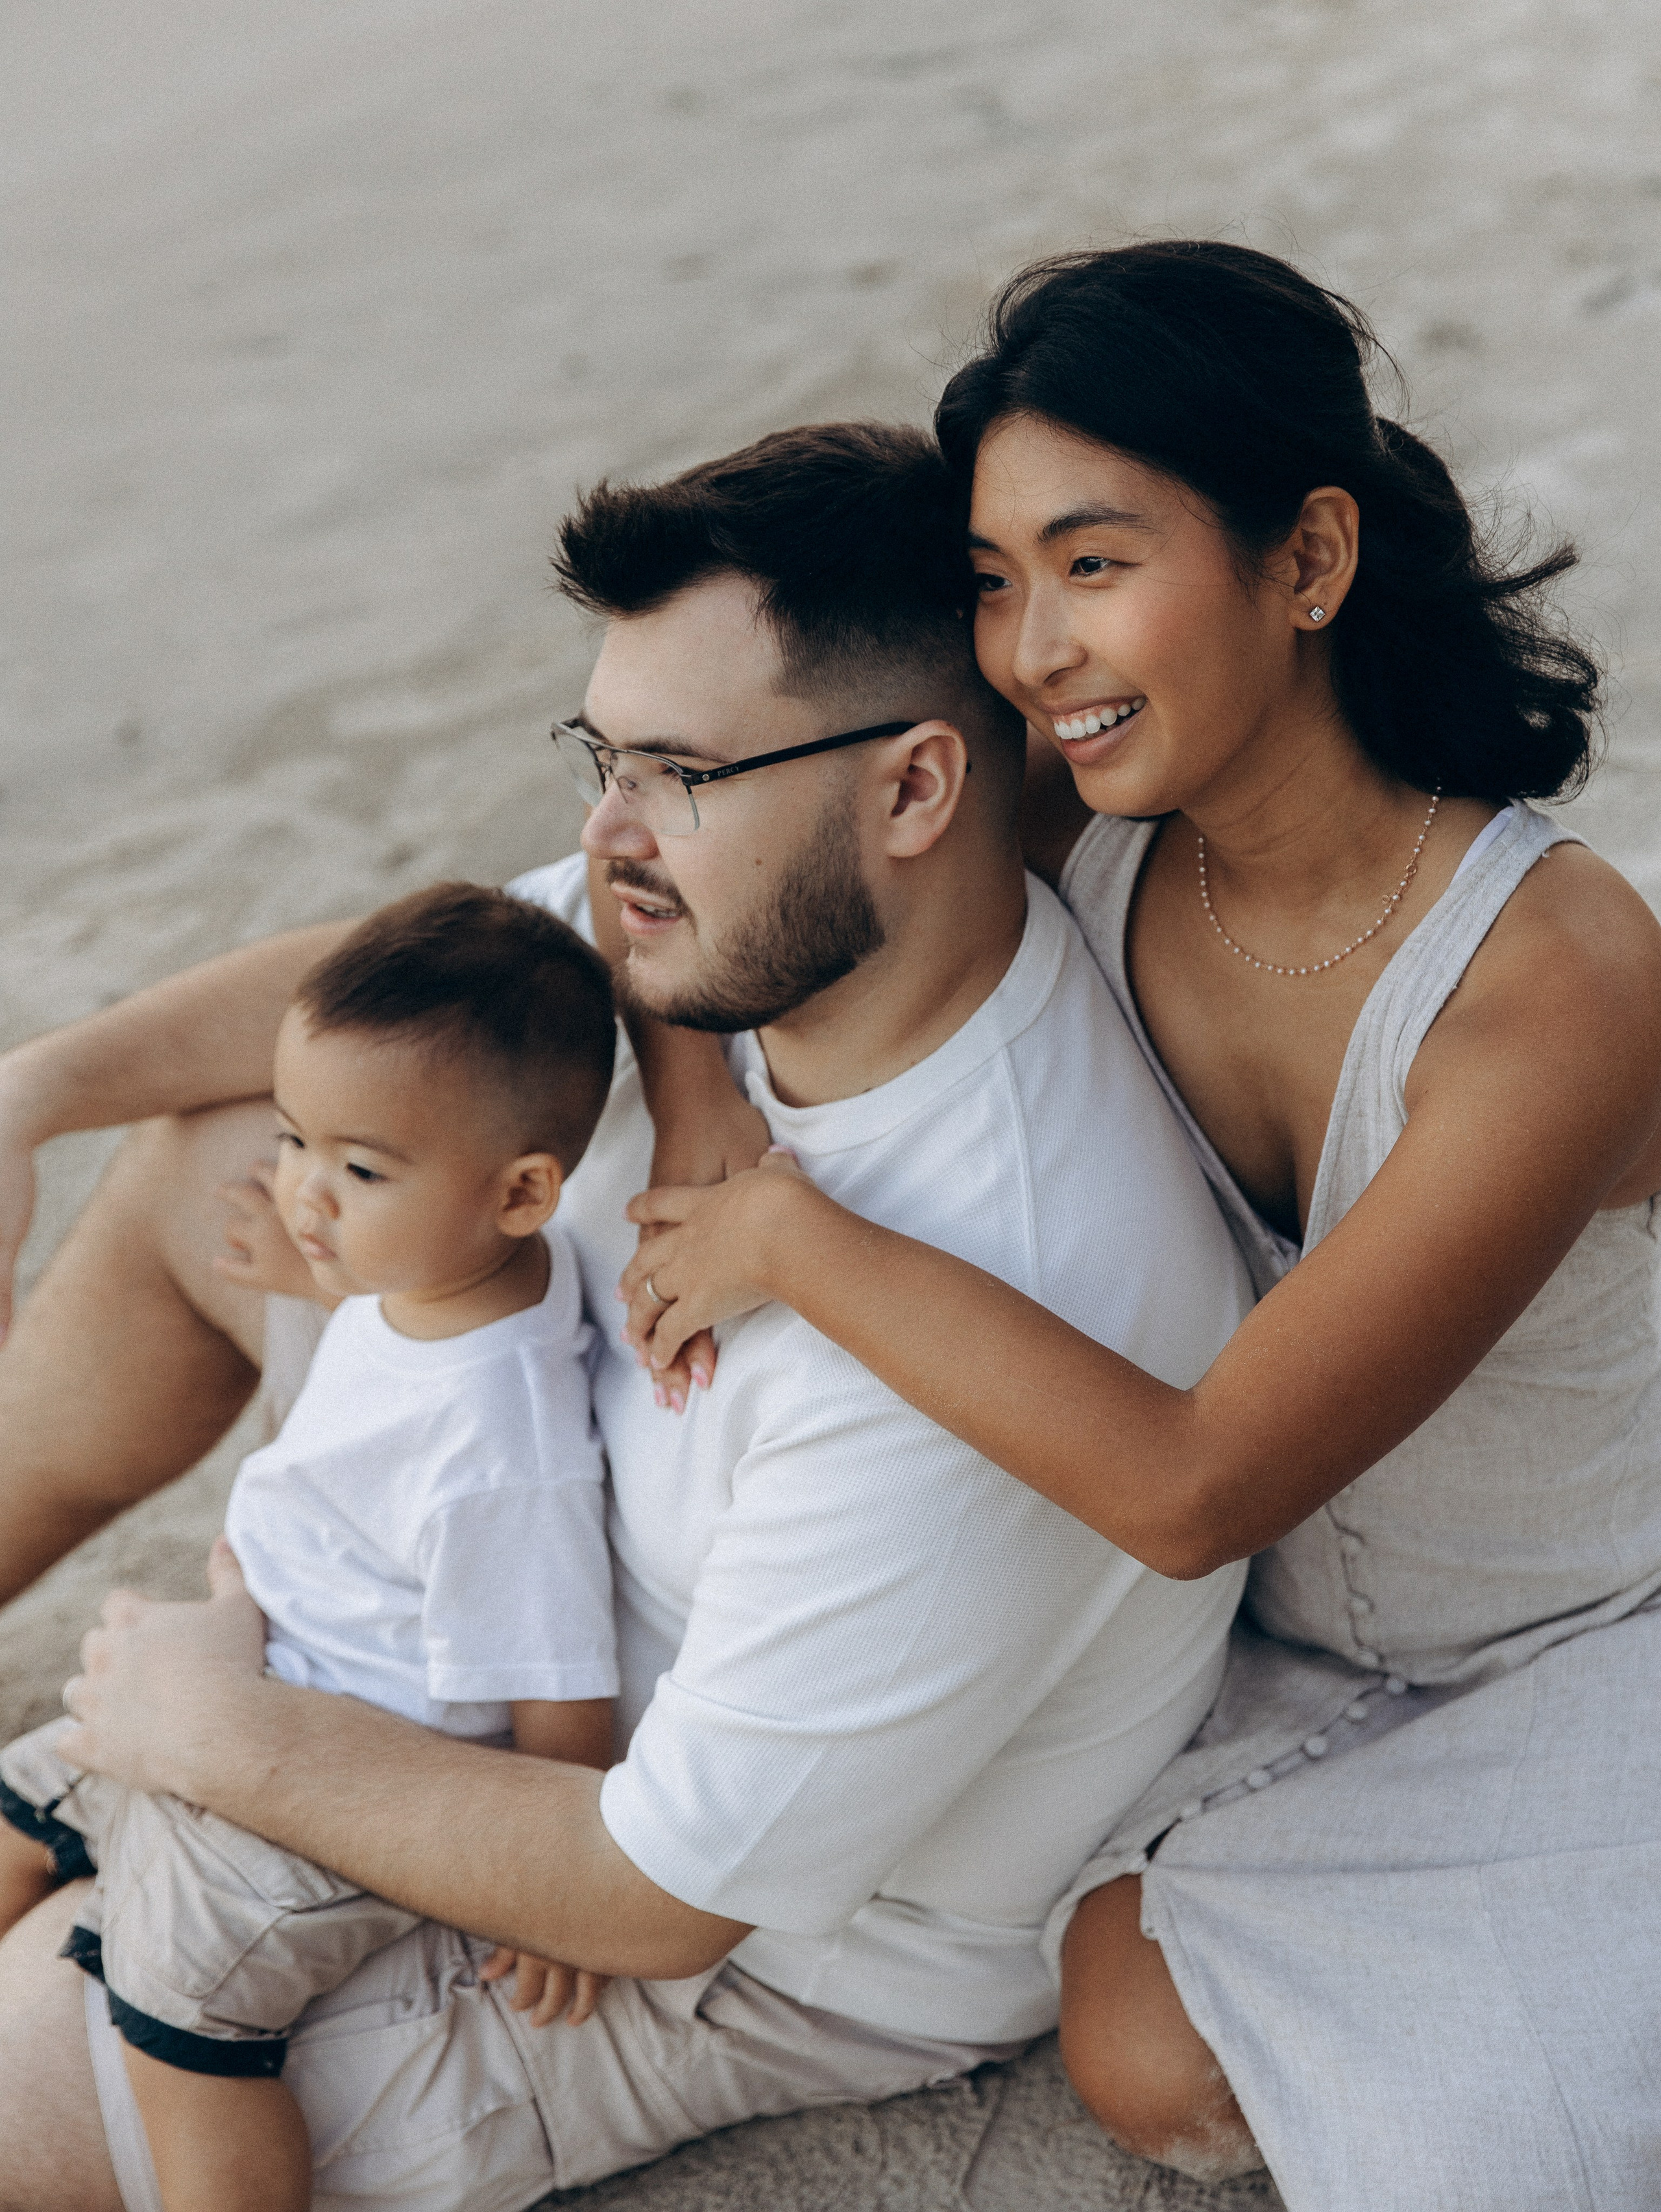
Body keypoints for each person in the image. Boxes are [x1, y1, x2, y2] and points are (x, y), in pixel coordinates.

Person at [0, 422, 1255, 2211]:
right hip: (481, 1588)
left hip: (690, 1922)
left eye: (673, 771)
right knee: (239, 1135)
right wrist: (34, 1092)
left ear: (913, 791)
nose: (606, 832)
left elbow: (659, 1894)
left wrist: (220, 1736)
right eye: (602, 756)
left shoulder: (998, 1308)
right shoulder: (766, 945)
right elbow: (395, 1003)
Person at [613, 246, 1661, 2209]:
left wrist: (791, 1239)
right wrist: (692, 1093)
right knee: (1135, 2034)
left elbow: (1195, 1485)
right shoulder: (1087, 819)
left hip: (1588, 1637)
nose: (1030, 655)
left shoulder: (1556, 979)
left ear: (1310, 557)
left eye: (1094, 566)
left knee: (1454, 2134)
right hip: (1280, 1664)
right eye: (997, 585)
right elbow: (704, 883)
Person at [0, 883, 620, 2212]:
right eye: (294, 1139)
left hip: (332, 1790)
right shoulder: (455, 1276)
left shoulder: (503, 1447)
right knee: (15, 1811)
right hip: (258, 1678)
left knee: (175, 2022)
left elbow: (562, 1687)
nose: (301, 1190)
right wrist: (330, 1279)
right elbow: (418, 1323)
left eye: (359, 1169)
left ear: (520, 1189)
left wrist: (553, 1896)